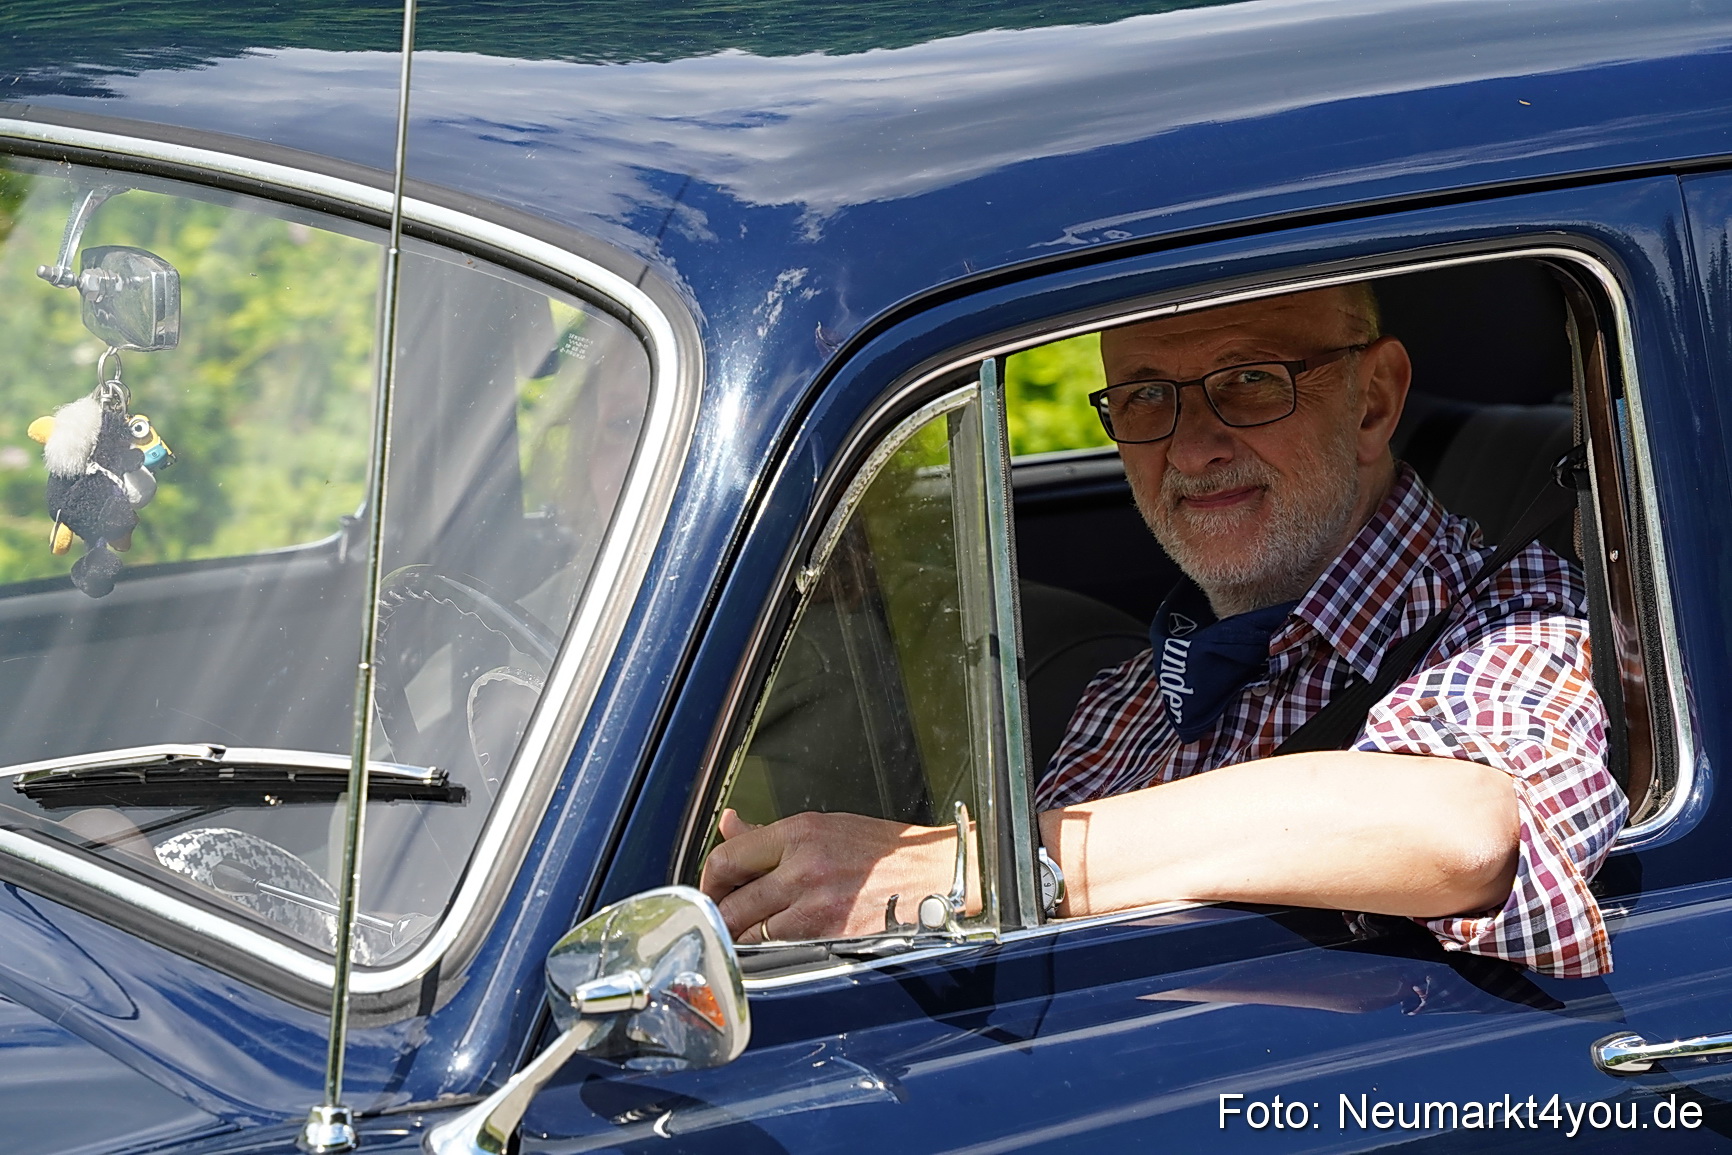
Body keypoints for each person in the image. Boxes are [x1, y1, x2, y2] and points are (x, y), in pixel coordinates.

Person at [700, 283, 1627, 977]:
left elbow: (1465, 828)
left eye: (1250, 382)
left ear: (1374, 403)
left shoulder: (1518, 614)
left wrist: (954, 866)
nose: (1191, 446)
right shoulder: (1128, 700)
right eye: (1145, 398)